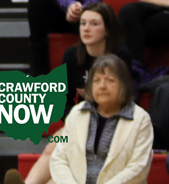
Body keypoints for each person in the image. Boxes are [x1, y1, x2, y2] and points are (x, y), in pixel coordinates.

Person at [5, 2, 133, 184]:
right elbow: (64, 101)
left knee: (62, 158)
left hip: (112, 125)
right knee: (55, 146)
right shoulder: (72, 55)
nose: (86, 28)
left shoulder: (119, 56)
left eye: (94, 24)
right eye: (83, 23)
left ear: (107, 30)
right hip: (81, 123)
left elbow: (125, 99)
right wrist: (74, 121)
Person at [50, 55, 152, 184]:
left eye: (110, 80)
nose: (102, 86)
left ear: (124, 85)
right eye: (96, 80)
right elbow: (59, 158)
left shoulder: (141, 119)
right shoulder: (77, 112)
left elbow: (139, 167)